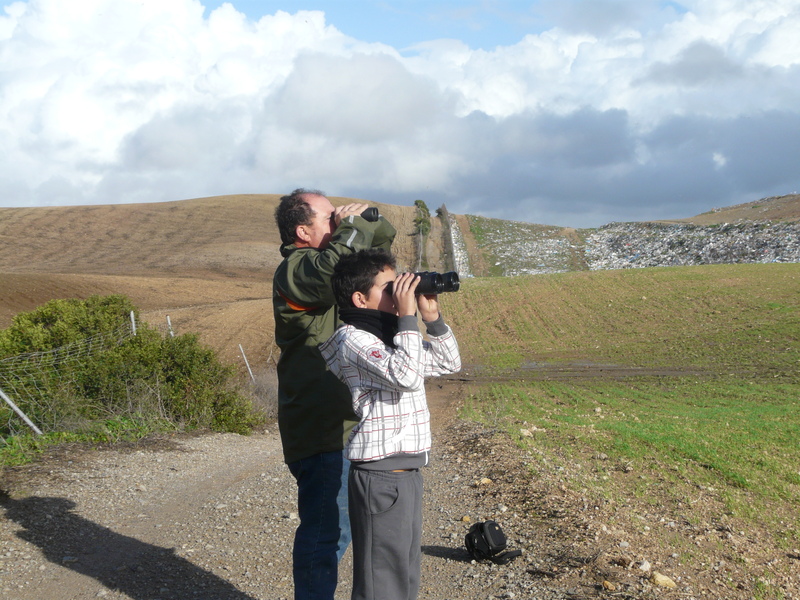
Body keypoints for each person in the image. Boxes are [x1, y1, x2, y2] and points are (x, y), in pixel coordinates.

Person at [272, 189, 396, 600]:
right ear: (302, 231)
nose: (338, 222)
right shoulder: (294, 270)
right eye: (329, 218)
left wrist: (369, 223)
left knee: (359, 527)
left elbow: (379, 250)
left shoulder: (329, 260)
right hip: (322, 426)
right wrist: (353, 229)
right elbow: (327, 275)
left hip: (349, 422)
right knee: (328, 531)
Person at [319, 248, 461, 600]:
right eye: (389, 287)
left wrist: (432, 318)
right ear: (359, 298)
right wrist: (408, 319)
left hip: (406, 474)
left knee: (404, 573)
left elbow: (449, 363)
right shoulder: (352, 339)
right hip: (380, 477)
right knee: (381, 582)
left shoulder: (390, 338)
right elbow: (408, 376)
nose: (400, 291)